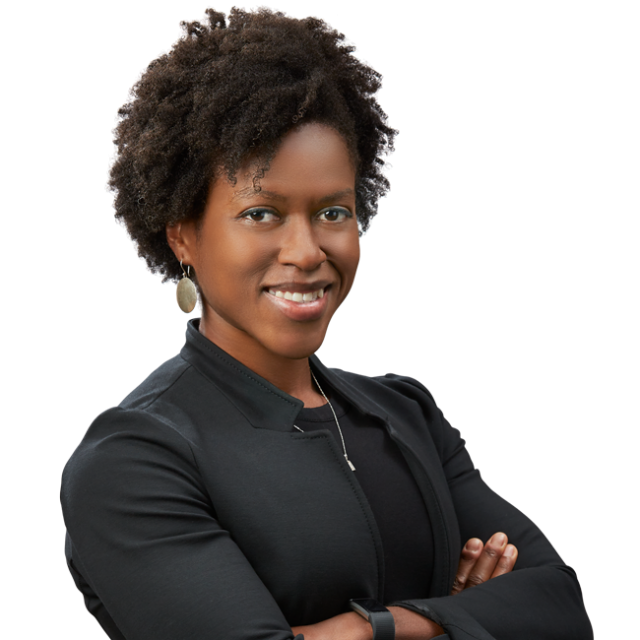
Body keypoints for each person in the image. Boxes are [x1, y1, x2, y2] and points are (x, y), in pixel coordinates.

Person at [60, 5, 592, 639]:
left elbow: (561, 606)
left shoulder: (406, 413)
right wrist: (458, 621)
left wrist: (374, 627)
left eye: (332, 213)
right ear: (183, 235)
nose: (307, 251)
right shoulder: (136, 457)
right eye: (261, 213)